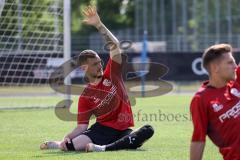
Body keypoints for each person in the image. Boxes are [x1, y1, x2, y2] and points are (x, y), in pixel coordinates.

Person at [40, 5, 154, 152]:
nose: (100, 66)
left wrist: (99, 25)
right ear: (84, 68)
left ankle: (103, 148)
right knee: (69, 147)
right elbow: (82, 126)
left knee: (147, 130)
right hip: (101, 130)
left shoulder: (112, 73)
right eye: (95, 64)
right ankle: (58, 143)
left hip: (123, 129)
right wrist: (67, 137)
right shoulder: (86, 96)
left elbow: (115, 46)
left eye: (100, 62)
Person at [190, 44, 240, 160]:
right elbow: (198, 139)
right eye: (230, 63)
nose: (235, 66)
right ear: (215, 67)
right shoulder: (201, 99)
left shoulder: (236, 83)